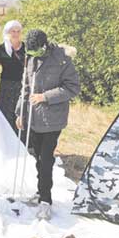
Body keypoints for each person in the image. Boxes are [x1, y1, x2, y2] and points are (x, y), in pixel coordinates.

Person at [15, 29, 79, 220]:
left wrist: (45, 97)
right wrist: (20, 112)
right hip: (34, 119)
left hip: (52, 119)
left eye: (34, 52)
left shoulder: (62, 59)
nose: (31, 55)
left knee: (46, 160)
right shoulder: (31, 57)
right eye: (29, 52)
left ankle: (46, 201)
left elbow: (72, 88)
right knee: (38, 158)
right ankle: (41, 190)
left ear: (44, 46)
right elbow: (25, 87)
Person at [0, 20, 26, 138]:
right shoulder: (0, 49)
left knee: (21, 116)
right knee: (6, 116)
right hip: (6, 88)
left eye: (18, 31)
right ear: (7, 32)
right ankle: (6, 142)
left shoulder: (26, 48)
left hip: (23, 87)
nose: (15, 33)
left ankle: (21, 144)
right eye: (12, 31)